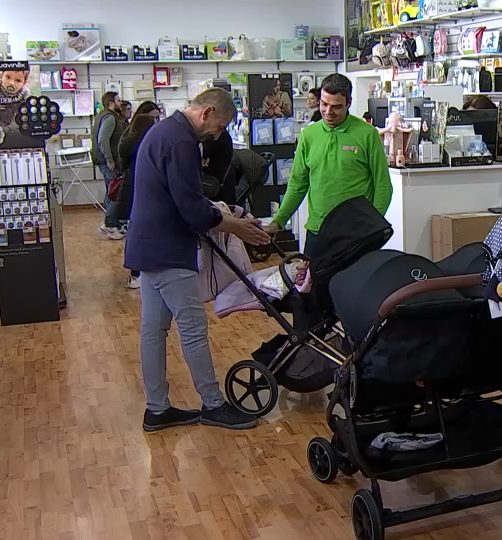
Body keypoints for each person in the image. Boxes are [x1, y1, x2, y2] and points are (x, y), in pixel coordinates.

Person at [124, 88, 270, 432]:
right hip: (168, 249)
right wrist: (237, 227)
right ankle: (213, 405)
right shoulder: (181, 142)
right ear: (206, 113)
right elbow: (191, 207)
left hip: (148, 246)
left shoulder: (162, 131)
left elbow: (184, 198)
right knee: (192, 328)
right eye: (219, 127)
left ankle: (157, 408)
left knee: (154, 330)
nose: (217, 135)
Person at [266, 74, 391, 255]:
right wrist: (278, 222)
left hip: (355, 234)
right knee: (313, 283)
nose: (328, 112)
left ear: (349, 103)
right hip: (318, 231)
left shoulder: (368, 134)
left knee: (352, 284)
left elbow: (383, 186)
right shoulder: (308, 135)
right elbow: (297, 185)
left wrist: (372, 227)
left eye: (336, 106)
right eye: (324, 104)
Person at [116, 101, 161, 290]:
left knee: (135, 234)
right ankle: (138, 273)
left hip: (130, 192)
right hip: (140, 194)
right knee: (142, 234)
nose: (157, 121)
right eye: (154, 118)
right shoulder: (146, 145)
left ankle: (136, 273)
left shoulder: (128, 140)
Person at [92, 91, 128, 239]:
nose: (121, 103)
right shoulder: (110, 118)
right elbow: (103, 140)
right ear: (111, 103)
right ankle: (110, 225)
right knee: (115, 193)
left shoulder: (103, 115)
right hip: (108, 161)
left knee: (111, 191)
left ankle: (111, 223)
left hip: (104, 160)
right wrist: (110, 160)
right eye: (118, 101)